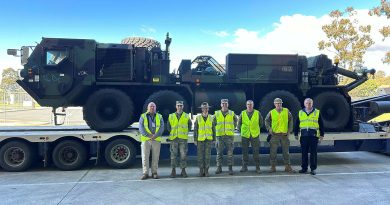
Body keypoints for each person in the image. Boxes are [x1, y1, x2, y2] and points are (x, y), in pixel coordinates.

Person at [294, 98, 324, 175]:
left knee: (313, 153)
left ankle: (313, 169)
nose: (308, 105)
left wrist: (321, 135)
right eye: (307, 103)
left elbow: (321, 124)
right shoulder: (300, 112)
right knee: (304, 153)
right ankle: (304, 168)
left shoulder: (317, 112)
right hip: (303, 136)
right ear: (304, 104)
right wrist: (296, 134)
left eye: (310, 103)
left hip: (313, 136)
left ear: (312, 104)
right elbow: (297, 124)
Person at [265, 98, 295, 173]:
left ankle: (287, 167)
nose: (278, 105)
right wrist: (269, 129)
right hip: (274, 135)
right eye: (277, 103)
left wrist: (289, 131)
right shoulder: (271, 112)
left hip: (284, 135)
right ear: (274, 104)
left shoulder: (286, 111)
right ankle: (273, 167)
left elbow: (291, 120)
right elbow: (266, 120)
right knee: (273, 152)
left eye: (280, 103)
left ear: (282, 104)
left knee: (286, 152)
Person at [139, 102, 164, 180]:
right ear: (147, 108)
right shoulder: (143, 116)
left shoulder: (159, 116)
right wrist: (149, 135)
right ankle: (145, 173)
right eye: (150, 106)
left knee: (155, 157)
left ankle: (154, 173)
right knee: (145, 157)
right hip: (146, 139)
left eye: (153, 106)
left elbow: (162, 127)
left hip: (156, 139)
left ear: (155, 108)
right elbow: (141, 127)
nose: (152, 108)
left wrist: (155, 136)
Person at [167, 101, 192, 178]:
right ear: (176, 106)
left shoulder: (186, 116)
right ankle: (173, 171)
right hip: (174, 138)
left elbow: (189, 125)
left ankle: (183, 171)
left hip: (183, 139)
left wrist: (185, 132)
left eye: (181, 105)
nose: (179, 107)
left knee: (183, 155)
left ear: (183, 106)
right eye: (178, 105)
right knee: (173, 155)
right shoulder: (171, 116)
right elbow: (168, 126)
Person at [237, 100, 263, 174]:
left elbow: (261, 123)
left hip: (254, 135)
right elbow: (239, 123)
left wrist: (256, 130)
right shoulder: (243, 113)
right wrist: (240, 131)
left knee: (256, 152)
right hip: (245, 135)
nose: (249, 106)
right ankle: (244, 167)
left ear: (253, 105)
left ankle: (257, 167)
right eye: (248, 104)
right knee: (245, 152)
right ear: (246, 105)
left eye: (251, 104)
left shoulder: (257, 113)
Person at [214, 99, 237, 175]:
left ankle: (230, 168)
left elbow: (235, 121)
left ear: (228, 104)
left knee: (230, 153)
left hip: (229, 136)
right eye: (223, 103)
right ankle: (219, 167)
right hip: (219, 136)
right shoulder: (216, 114)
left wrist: (232, 128)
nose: (224, 105)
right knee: (219, 153)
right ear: (221, 104)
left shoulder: (232, 113)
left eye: (226, 103)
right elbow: (212, 124)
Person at [194, 102, 214, 177]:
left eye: (206, 108)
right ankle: (201, 170)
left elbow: (213, 129)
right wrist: (195, 139)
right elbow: (195, 130)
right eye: (203, 108)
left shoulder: (211, 117)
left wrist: (214, 139)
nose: (205, 109)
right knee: (200, 156)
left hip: (208, 139)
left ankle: (206, 171)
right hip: (200, 140)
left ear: (208, 108)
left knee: (207, 156)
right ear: (201, 109)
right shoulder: (198, 117)